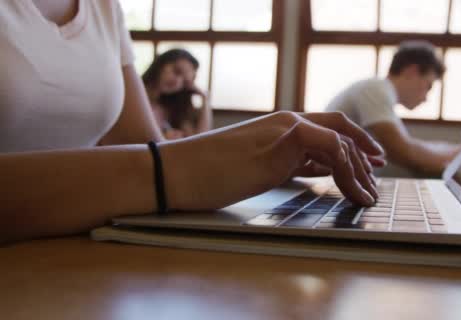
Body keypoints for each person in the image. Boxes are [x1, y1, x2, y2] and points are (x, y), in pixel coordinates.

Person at [0, 0, 385, 243]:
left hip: (73, 261)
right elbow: (159, 167)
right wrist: (183, 170)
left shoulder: (103, 7)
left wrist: (256, 157)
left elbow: (147, 149)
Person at [325, 40, 461, 177]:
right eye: (428, 86)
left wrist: (455, 150)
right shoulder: (375, 89)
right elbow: (404, 152)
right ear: (411, 71)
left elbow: (411, 145)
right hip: (328, 182)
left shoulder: (381, 93)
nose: (426, 97)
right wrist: (457, 154)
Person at [142, 48, 212, 140]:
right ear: (161, 64)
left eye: (184, 82)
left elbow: (199, 140)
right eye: (176, 71)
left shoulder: (172, 109)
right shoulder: (133, 96)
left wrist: (205, 99)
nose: (177, 81)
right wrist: (162, 139)